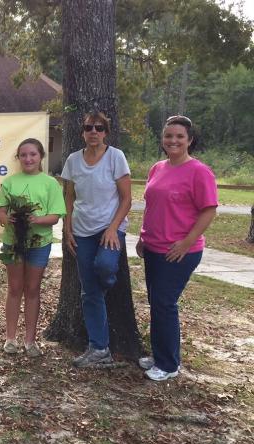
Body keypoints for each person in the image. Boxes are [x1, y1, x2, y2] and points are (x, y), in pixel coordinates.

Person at [136, 115, 217, 381]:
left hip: (179, 250)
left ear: (189, 140)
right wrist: (142, 236)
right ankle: (160, 355)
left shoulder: (199, 171)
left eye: (179, 136)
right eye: (168, 136)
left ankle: (169, 365)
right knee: (156, 303)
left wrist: (187, 242)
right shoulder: (157, 168)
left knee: (164, 303)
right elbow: (152, 205)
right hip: (153, 247)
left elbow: (208, 210)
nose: (173, 140)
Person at [61, 112, 132, 368]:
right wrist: (67, 228)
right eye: (89, 127)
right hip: (81, 230)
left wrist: (113, 229)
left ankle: (107, 284)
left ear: (106, 132)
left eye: (99, 128)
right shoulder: (72, 160)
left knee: (104, 267)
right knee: (88, 292)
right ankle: (99, 349)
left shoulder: (116, 157)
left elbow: (126, 199)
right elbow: (68, 196)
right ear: (82, 131)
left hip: (108, 228)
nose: (94, 131)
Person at [0, 138, 65, 357]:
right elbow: (0, 214)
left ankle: (30, 340)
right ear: (18, 158)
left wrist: (36, 220)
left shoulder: (50, 183)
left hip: (39, 244)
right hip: (14, 243)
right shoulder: (10, 182)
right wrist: (10, 220)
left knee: (33, 289)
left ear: (41, 156)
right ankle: (10, 338)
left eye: (33, 154)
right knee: (15, 288)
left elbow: (55, 217)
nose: (28, 158)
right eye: (23, 155)